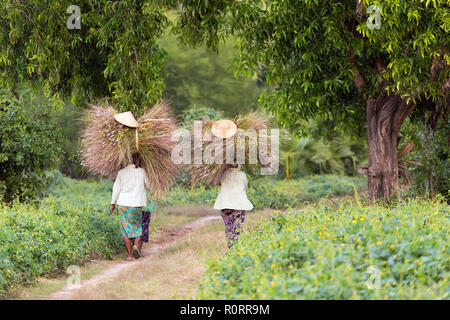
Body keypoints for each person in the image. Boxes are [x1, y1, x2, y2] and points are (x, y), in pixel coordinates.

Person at [110, 153, 150, 261]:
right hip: (137, 205)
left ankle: (129, 256)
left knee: (125, 230)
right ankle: (136, 246)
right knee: (137, 227)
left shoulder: (121, 173)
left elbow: (116, 189)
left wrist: (112, 204)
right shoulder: (142, 172)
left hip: (123, 205)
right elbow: (149, 185)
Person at [213, 164, 254, 248]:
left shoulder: (223, 174)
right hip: (238, 204)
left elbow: (218, 183)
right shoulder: (242, 174)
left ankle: (230, 246)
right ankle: (237, 247)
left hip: (225, 205)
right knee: (237, 226)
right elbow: (245, 187)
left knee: (229, 225)